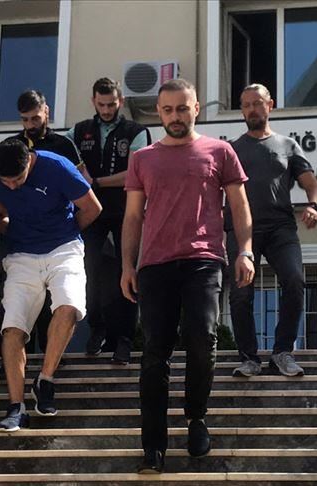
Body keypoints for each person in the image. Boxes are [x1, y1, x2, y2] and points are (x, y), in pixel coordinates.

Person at [120, 79, 254, 473]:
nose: (175, 116)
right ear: (158, 113)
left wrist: (245, 251)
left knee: (202, 338)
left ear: (196, 108)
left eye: (182, 108)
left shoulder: (220, 151)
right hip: (155, 265)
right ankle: (153, 447)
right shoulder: (143, 158)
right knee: (154, 354)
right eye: (167, 110)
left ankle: (196, 416)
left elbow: (240, 206)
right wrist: (127, 265)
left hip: (204, 259)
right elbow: (132, 216)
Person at [0, 138, 101, 432]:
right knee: (13, 327)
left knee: (69, 306)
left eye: (17, 180)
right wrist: (5, 223)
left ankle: (45, 380)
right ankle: (16, 407)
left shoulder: (58, 166)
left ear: (30, 162)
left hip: (64, 248)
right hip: (20, 254)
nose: (11, 186)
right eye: (5, 182)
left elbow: (92, 207)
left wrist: (62, 233)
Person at [226, 83, 317, 378]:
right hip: (242, 230)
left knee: (294, 281)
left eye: (257, 103)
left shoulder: (287, 145)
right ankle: (249, 358)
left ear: (270, 105)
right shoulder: (232, 149)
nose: (252, 109)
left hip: (281, 228)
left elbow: (312, 184)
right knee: (241, 294)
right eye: (246, 105)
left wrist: (313, 205)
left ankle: (282, 352)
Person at [0, 90, 83, 379]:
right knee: (16, 303)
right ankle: (10, 363)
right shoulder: (11, 147)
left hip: (58, 237)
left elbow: (84, 185)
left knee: (58, 301)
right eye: (25, 119)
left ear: (46, 112)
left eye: (35, 118)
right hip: (22, 241)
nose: (30, 124)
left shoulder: (63, 145)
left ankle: (51, 358)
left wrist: (69, 227)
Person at [67, 77, 151, 364]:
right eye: (101, 104)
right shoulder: (78, 131)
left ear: (121, 102)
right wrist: (81, 176)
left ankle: (124, 339)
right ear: (93, 101)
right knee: (85, 270)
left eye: (111, 104)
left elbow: (135, 174)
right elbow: (63, 155)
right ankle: (97, 328)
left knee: (128, 272)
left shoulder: (136, 131)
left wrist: (97, 182)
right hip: (91, 212)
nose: (106, 110)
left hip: (127, 212)